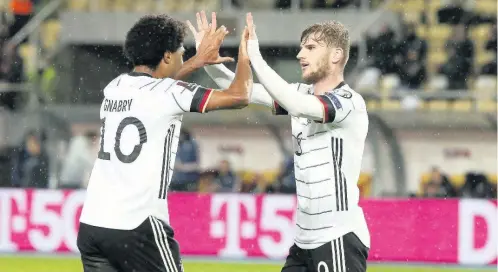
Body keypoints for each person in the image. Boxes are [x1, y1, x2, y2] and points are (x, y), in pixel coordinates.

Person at [190, 12, 369, 272]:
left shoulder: (349, 102)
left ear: (336, 55)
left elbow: (298, 105)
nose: (300, 55)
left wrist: (256, 58)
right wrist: (207, 62)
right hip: (303, 240)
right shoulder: (299, 93)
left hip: (338, 237)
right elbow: (242, 91)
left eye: (310, 48)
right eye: (300, 48)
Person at [77, 13, 252, 272]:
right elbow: (240, 96)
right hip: (137, 226)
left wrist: (197, 61)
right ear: (167, 56)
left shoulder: (114, 87)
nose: (183, 56)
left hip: (93, 225)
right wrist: (247, 53)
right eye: (181, 51)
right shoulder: (170, 94)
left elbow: (156, 85)